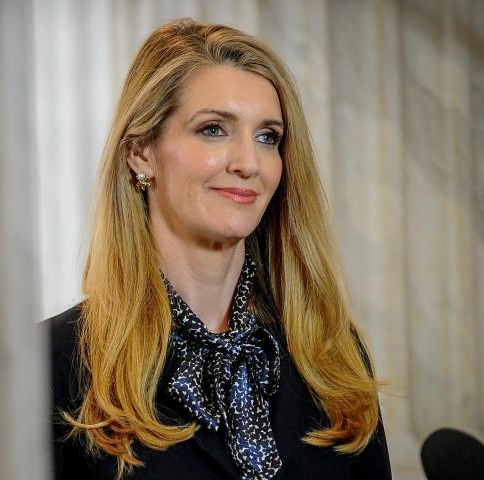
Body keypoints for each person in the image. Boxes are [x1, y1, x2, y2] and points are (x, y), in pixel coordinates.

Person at [46, 18, 391, 480]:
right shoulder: (52, 362)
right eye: (213, 129)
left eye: (268, 137)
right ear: (141, 152)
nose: (249, 163)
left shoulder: (331, 352)